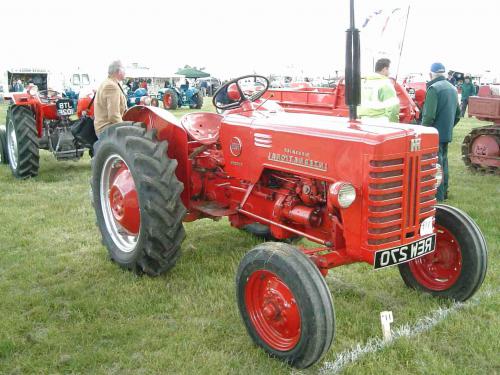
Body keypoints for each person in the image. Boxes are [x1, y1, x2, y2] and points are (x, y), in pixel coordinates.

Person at [421, 62, 460, 202]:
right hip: (445, 133)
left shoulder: (433, 89)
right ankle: (445, 190)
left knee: (435, 165)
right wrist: (448, 126)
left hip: (433, 134)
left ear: (431, 74)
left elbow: (429, 116)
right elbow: (458, 114)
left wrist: (423, 131)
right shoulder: (453, 88)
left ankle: (438, 195)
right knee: (444, 162)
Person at [359, 58, 400, 122]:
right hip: (381, 123)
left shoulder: (363, 83)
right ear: (384, 69)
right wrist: (394, 124)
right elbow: (393, 107)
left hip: (363, 121)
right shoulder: (385, 83)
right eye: (389, 69)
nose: (389, 72)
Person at [94, 60, 127, 136]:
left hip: (105, 127)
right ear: (118, 71)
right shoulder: (111, 86)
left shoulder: (108, 82)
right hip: (107, 128)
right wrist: (125, 129)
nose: (125, 72)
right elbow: (113, 115)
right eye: (124, 70)